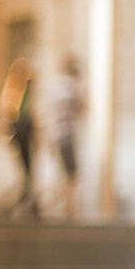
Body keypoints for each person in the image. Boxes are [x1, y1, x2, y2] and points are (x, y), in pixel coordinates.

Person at [45, 54, 86, 219]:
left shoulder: (54, 86)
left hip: (55, 134)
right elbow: (80, 107)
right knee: (71, 174)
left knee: (63, 172)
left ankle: (63, 206)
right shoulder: (70, 87)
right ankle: (67, 208)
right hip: (66, 135)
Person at [0, 57, 37, 217]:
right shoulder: (13, 91)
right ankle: (25, 200)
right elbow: (10, 113)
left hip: (25, 132)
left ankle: (29, 200)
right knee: (25, 170)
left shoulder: (25, 91)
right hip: (20, 132)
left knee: (28, 170)